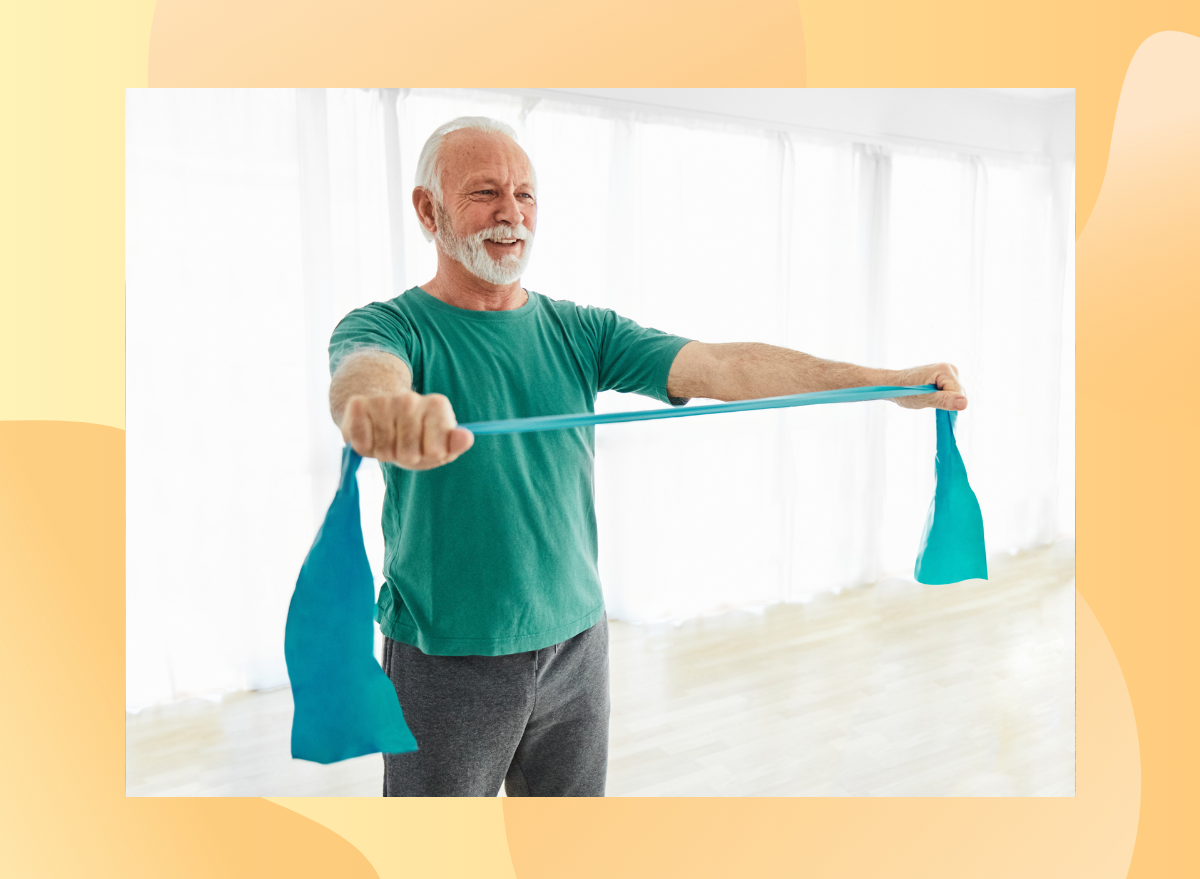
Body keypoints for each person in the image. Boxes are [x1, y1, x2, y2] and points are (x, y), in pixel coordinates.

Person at [327, 116, 967, 797]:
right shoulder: (388, 325)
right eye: (485, 192)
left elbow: (725, 366)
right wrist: (385, 412)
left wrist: (887, 382)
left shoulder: (579, 330)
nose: (511, 214)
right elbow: (364, 377)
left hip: (577, 644)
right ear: (429, 209)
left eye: (525, 194)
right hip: (446, 658)